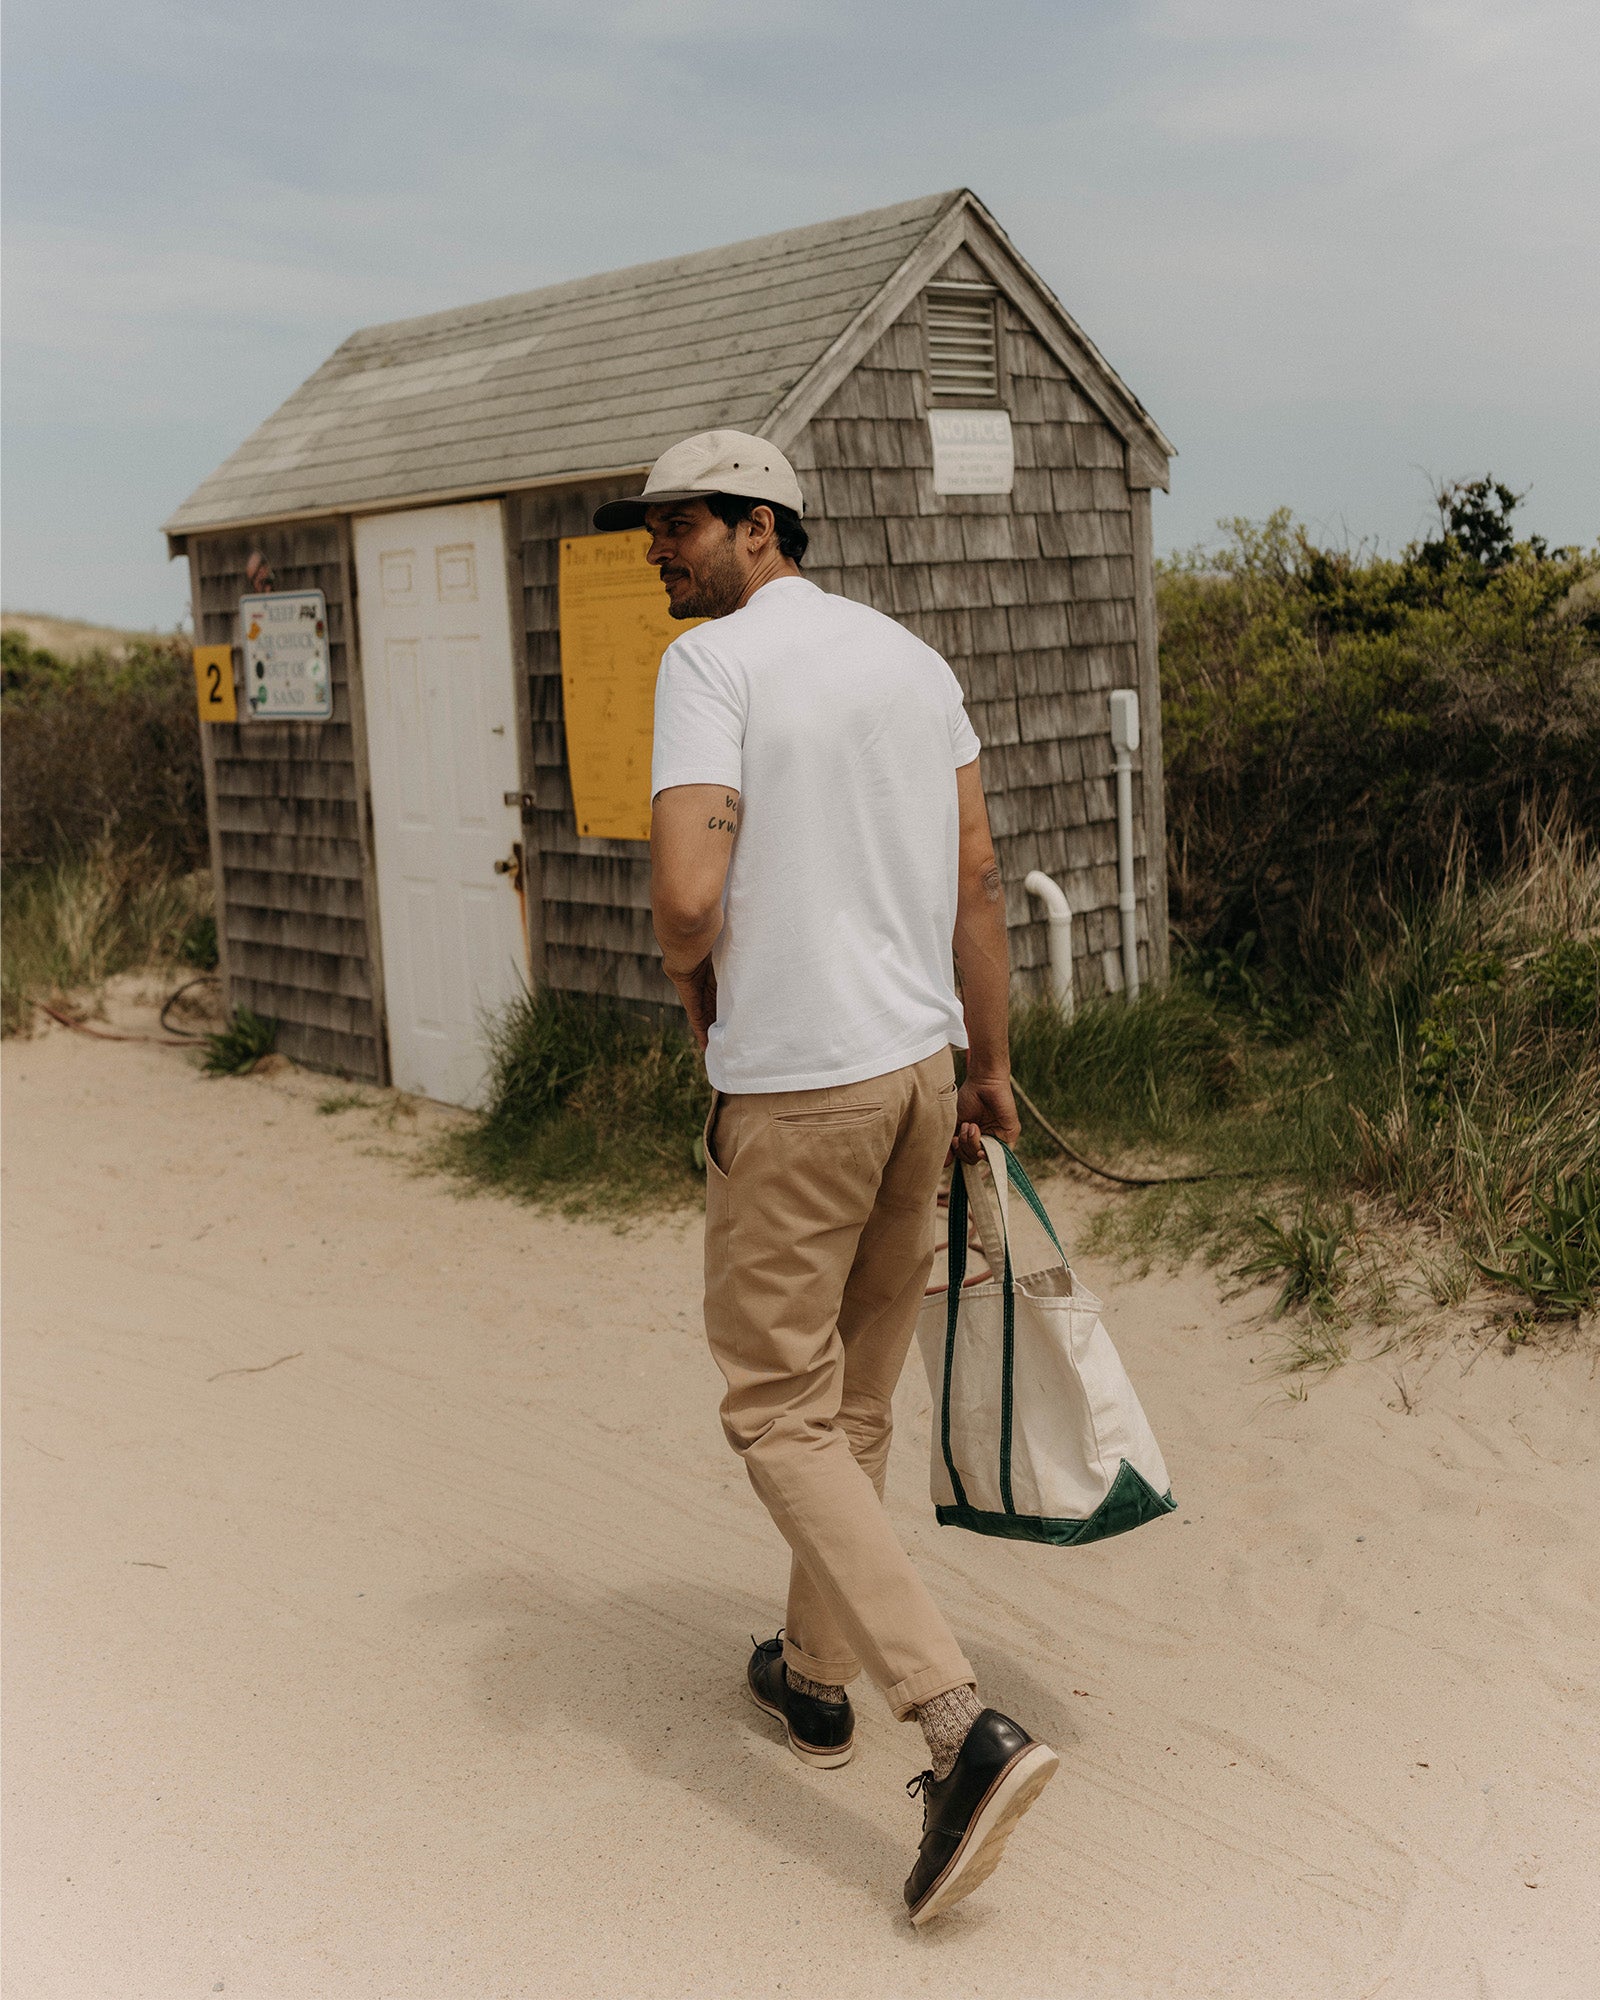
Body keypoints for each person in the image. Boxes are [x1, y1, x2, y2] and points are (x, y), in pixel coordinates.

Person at [594, 430, 1058, 1926]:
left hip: (798, 1091)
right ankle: (811, 1677)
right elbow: (977, 880)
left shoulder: (711, 666)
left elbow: (685, 899)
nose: (658, 550)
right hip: (918, 1077)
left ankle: (955, 1722)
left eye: (678, 526)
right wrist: (989, 1067)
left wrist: (696, 992)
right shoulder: (913, 666)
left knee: (774, 1412)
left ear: (760, 527)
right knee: (851, 1405)